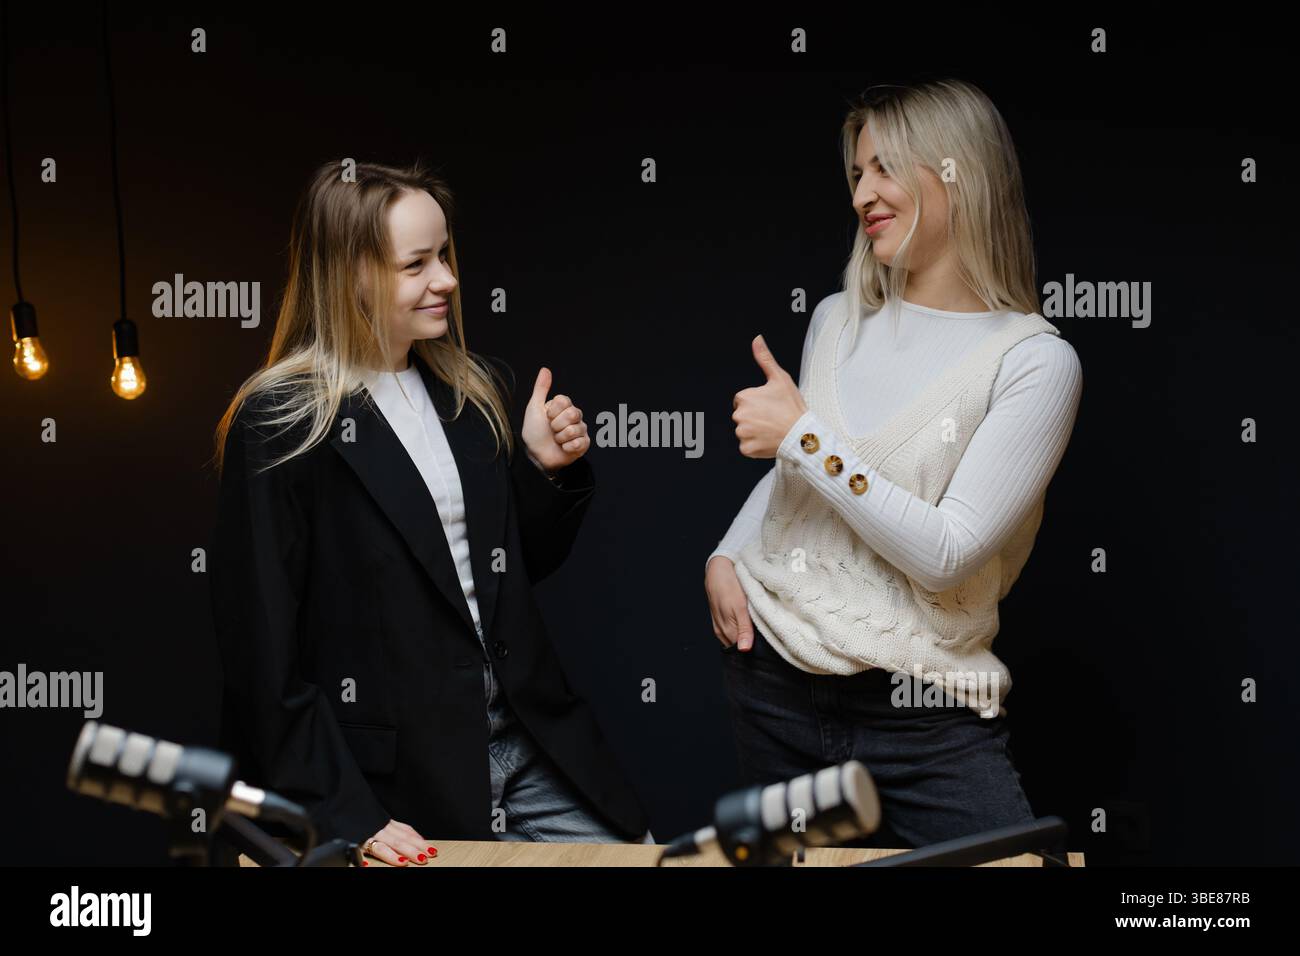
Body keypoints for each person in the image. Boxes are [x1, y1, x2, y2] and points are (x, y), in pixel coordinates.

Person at [209, 159, 652, 865]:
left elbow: (498, 582)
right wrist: (344, 810)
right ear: (349, 274)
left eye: (443, 255)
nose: (446, 279)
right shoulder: (280, 421)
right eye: (416, 263)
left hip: (529, 743)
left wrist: (540, 470)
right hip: (390, 779)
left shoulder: (466, 397)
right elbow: (263, 657)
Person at [706, 79, 1083, 849]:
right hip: (773, 683)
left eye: (884, 169)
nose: (862, 195)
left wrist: (804, 436)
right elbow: (801, 480)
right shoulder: (837, 320)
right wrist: (726, 554)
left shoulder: (1034, 363)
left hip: (924, 708)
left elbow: (945, 555)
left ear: (958, 174)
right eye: (855, 175)